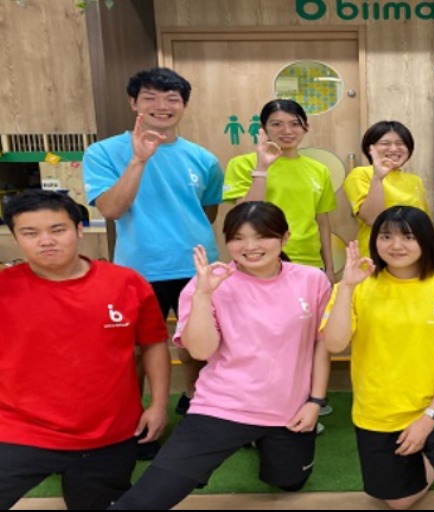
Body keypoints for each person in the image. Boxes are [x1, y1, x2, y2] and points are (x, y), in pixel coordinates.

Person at [110, 202, 332, 510]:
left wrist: (315, 402)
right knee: (148, 499)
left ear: (285, 238)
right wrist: (204, 294)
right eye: (238, 238)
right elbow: (200, 351)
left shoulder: (312, 280)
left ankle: (260, 441)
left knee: (289, 481)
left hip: (288, 411)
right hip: (222, 406)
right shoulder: (208, 282)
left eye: (262, 236)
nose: (250, 246)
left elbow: (321, 344)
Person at [0, 190, 170, 510]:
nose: (46, 241)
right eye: (30, 233)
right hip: (19, 431)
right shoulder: (4, 288)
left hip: (108, 434)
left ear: (79, 230)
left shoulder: (127, 283)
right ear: (16, 237)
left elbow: (153, 344)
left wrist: (159, 405)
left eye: (57, 229)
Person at [321, 206, 434, 510]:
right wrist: (348, 287)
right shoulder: (355, 288)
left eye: (408, 237)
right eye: (386, 236)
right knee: (399, 502)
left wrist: (429, 419)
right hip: (379, 415)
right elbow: (335, 344)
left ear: (426, 240)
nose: (396, 245)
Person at [83, 67, 224, 426]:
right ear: (134, 103)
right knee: (135, 349)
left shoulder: (203, 158)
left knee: (199, 347)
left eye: (172, 99)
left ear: (184, 105)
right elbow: (111, 209)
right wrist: (138, 160)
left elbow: (207, 212)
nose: (162, 106)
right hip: (139, 268)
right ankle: (135, 418)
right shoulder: (103, 152)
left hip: (197, 267)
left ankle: (195, 403)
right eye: (150, 97)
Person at [223, 99, 337, 282]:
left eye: (295, 124)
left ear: (306, 128)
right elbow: (245, 214)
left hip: (309, 259)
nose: (287, 131)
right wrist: (262, 167)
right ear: (263, 129)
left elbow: (322, 221)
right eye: (277, 124)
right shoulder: (242, 164)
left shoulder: (319, 170)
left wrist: (329, 267)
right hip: (260, 257)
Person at [344, 120, 429, 257]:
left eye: (400, 143)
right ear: (370, 149)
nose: (394, 149)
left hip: (411, 256)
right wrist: (378, 178)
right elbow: (373, 219)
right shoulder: (361, 174)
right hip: (375, 255)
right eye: (385, 143)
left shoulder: (415, 180)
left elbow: (424, 225)